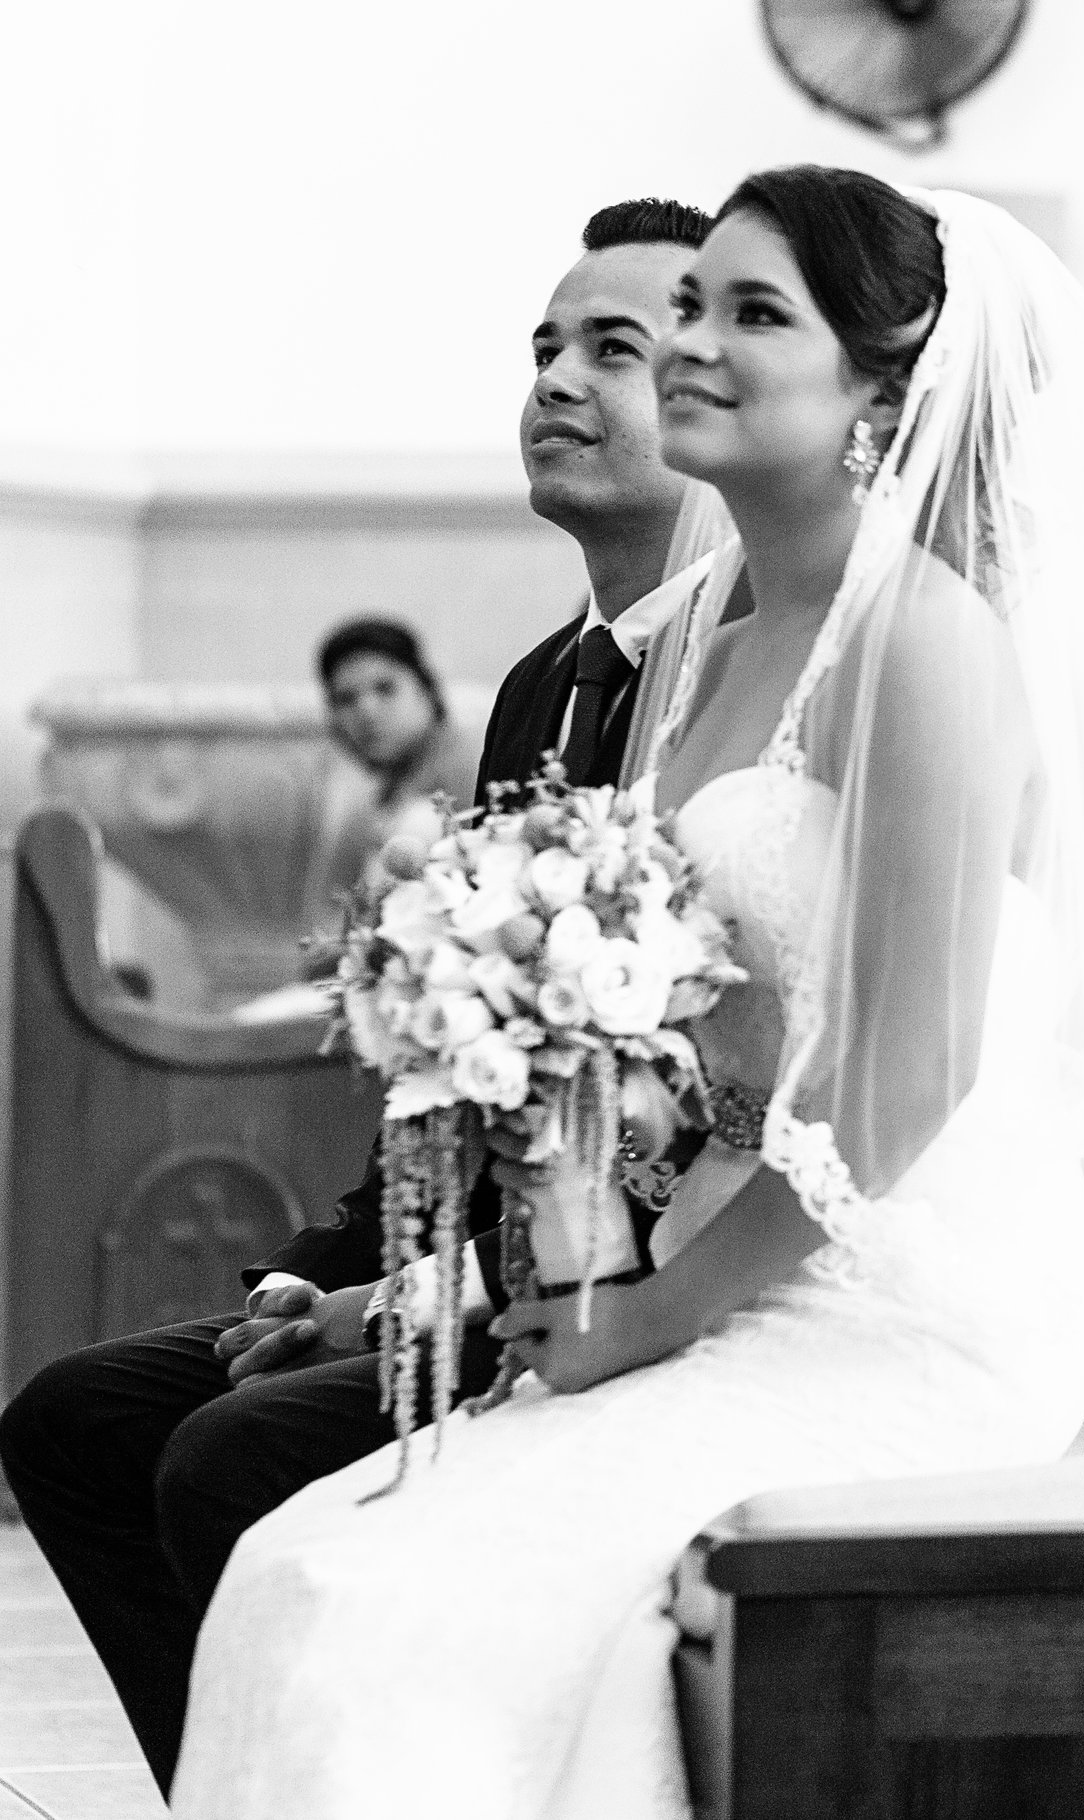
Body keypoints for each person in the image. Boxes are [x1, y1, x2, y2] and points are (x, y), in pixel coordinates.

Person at [167, 169, 1084, 1820]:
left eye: (754, 315)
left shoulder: (925, 645)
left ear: (878, 404)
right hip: (733, 1244)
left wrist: (655, 1316)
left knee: (396, 1611)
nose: (691, 343)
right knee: (303, 1568)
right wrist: (527, 1263)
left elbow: (906, 1079)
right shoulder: (706, 642)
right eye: (694, 307)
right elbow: (678, 1047)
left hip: (918, 1295)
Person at [0, 195, 724, 1795]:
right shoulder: (545, 682)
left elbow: (682, 1111)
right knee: (69, 1416)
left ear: (722, 389)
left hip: (634, 1288)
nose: (552, 381)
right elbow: (476, 1066)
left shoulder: (745, 685)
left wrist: (425, 1297)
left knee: (226, 1454)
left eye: (613, 348)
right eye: (541, 346)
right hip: (475, 1248)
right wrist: (321, 1267)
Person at [305, 618, 479, 925]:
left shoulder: (471, 763)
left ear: (426, 690)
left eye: (385, 688)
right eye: (346, 699)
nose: (367, 711)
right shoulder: (371, 802)